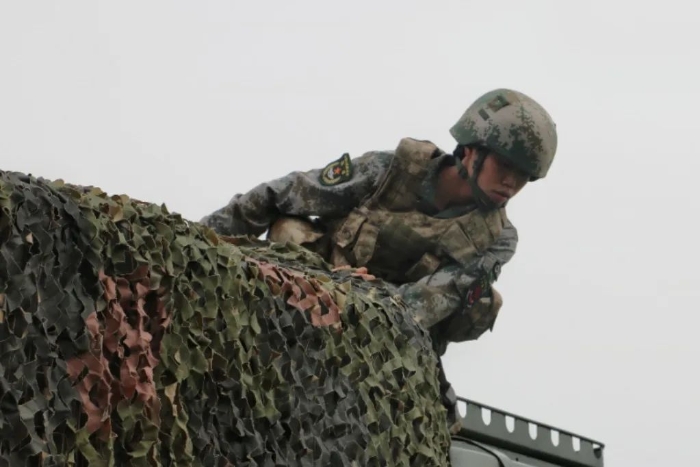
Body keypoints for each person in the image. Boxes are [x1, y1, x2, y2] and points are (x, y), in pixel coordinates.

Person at [200, 88, 557, 355]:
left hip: (390, 328)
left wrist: (353, 310)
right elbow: (285, 192)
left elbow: (425, 303)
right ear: (470, 150)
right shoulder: (391, 171)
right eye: (504, 165)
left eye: (524, 175)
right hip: (316, 282)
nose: (511, 183)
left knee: (484, 302)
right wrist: (197, 240)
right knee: (288, 228)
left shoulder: (497, 238)